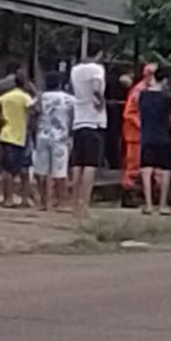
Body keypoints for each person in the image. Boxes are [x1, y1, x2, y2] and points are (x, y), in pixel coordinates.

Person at [0, 69, 35, 209]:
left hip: (6, 134)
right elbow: (34, 109)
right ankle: (24, 199)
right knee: (24, 169)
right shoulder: (25, 97)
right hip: (21, 136)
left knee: (6, 169)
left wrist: (1, 114)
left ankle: (7, 199)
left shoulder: (7, 96)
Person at [70, 47, 106, 218]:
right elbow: (97, 87)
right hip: (93, 120)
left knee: (77, 164)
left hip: (78, 119)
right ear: (98, 53)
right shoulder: (97, 69)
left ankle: (74, 203)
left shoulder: (75, 70)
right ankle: (85, 204)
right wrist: (100, 102)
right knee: (90, 165)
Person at [33, 70, 75, 211]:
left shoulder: (41, 97)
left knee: (41, 170)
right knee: (60, 171)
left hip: (42, 135)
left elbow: (33, 110)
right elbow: (75, 113)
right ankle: (61, 201)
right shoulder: (68, 99)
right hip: (60, 137)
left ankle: (44, 201)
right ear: (61, 83)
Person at [138, 66, 171, 215]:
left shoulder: (143, 96)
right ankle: (163, 205)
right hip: (164, 136)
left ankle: (148, 205)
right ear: (165, 80)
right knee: (165, 171)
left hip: (147, 135)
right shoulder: (167, 98)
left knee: (146, 170)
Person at [121, 64, 154, 202]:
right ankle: (128, 194)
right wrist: (142, 125)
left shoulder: (147, 90)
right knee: (133, 165)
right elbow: (129, 113)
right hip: (135, 134)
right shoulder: (139, 90)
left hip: (143, 134)